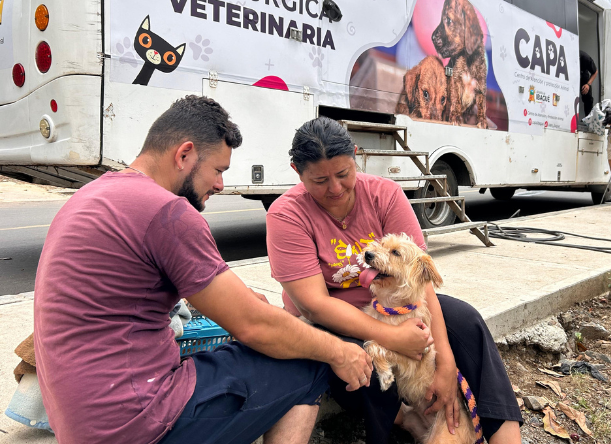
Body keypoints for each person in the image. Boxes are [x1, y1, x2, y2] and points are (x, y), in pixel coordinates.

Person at [33, 96, 373, 444]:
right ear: (184, 154)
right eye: (218, 170)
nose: (220, 185)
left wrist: (244, 305)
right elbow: (256, 327)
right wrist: (341, 351)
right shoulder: (167, 212)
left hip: (80, 420)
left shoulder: (95, 194)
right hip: (139, 421)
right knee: (313, 359)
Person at [265, 117, 523, 444]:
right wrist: (392, 336)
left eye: (344, 174)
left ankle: (506, 437)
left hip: (395, 303)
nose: (335, 189)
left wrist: (445, 363)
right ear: (297, 172)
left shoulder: (385, 194)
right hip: (333, 319)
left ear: (356, 156)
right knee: (369, 363)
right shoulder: (286, 215)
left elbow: (420, 277)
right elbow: (314, 306)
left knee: (466, 322)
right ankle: (394, 428)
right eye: (319, 180)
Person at [580, 50, 598, 116]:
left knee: (588, 98)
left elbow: (595, 72)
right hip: (571, 76)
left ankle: (588, 119)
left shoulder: (585, 57)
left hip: (583, 75)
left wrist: (588, 84)